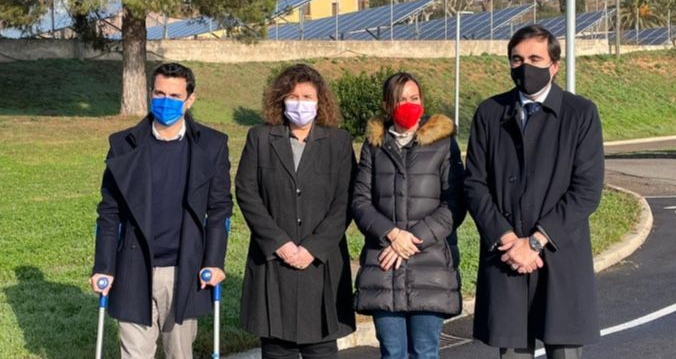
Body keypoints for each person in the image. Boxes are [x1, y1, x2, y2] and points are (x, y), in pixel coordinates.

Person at [464, 24, 605, 359]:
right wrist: (507, 238)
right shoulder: (489, 113)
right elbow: (474, 183)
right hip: (506, 257)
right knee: (512, 350)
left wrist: (537, 241)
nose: (524, 66)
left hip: (560, 257)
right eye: (516, 59)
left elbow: (586, 190)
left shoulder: (581, 113)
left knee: (565, 350)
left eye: (534, 58)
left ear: (554, 66)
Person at [90, 62, 233, 358]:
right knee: (134, 353)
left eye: (174, 96)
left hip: (184, 268)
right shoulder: (123, 144)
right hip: (133, 264)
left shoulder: (211, 145)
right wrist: (104, 266)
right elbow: (109, 213)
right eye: (159, 93)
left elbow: (219, 209)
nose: (165, 101)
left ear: (189, 100)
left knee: (179, 353)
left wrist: (214, 261)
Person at [236, 64, 356, 359]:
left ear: (320, 101)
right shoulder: (261, 138)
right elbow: (247, 192)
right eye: (293, 96)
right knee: (277, 347)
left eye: (307, 96)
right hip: (274, 263)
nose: (300, 102)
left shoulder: (338, 142)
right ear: (280, 99)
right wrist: (281, 244)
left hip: (321, 263)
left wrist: (313, 248)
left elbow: (346, 200)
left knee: (322, 346)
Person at [352, 72, 465, 359]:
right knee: (392, 352)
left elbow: (455, 202)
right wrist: (392, 234)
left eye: (414, 98)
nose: (408, 104)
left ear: (423, 102)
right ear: (387, 105)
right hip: (383, 266)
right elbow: (360, 201)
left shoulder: (443, 144)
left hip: (431, 265)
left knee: (425, 352)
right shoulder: (374, 146)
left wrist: (412, 240)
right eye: (401, 99)